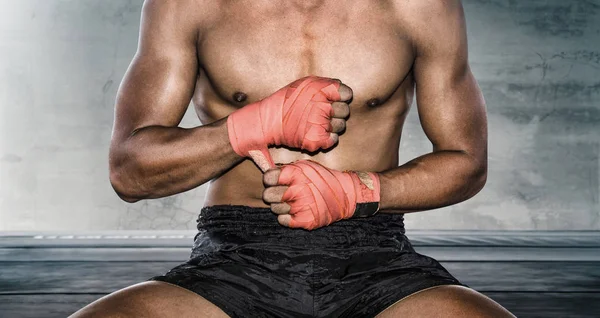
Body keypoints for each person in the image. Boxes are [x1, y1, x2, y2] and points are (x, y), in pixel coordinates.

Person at [72, 0, 515, 317]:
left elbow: (466, 160)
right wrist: (251, 126)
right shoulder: (190, 6)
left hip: (374, 255)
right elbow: (130, 173)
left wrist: (357, 191)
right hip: (236, 256)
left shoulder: (419, 7)